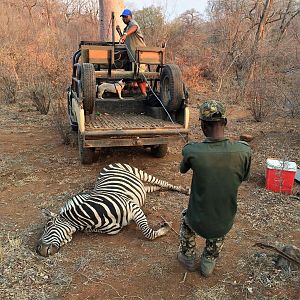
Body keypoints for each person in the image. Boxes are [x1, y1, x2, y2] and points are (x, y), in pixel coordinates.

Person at [178, 100, 251, 277]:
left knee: (186, 220)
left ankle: (188, 257)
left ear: (203, 125)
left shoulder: (192, 150)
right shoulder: (244, 151)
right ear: (225, 122)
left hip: (196, 219)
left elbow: (182, 170)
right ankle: (208, 260)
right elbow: (244, 177)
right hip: (223, 222)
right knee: (218, 229)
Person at [118, 9, 147, 96]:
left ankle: (144, 93)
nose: (124, 19)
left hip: (140, 54)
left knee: (140, 75)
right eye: (123, 17)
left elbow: (134, 28)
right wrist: (120, 33)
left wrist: (125, 34)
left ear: (130, 16)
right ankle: (131, 92)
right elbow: (124, 39)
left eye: (126, 16)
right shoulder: (126, 28)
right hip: (132, 56)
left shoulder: (132, 23)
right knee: (130, 73)